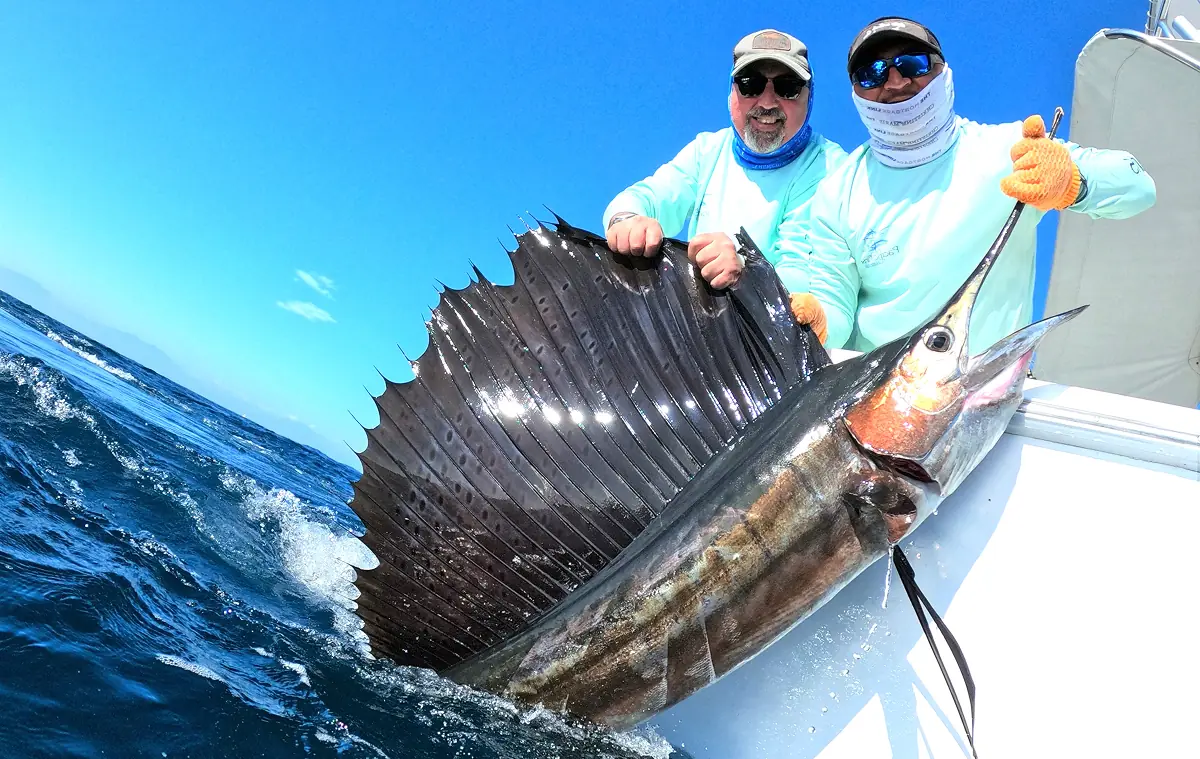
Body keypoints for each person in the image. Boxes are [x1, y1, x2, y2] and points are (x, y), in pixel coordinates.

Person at [792, 16, 1156, 351]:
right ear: (855, 91)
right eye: (872, 74)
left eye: (913, 63)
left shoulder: (1013, 150)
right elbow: (835, 313)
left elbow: (1138, 188)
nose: (896, 82)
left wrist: (1074, 183)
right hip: (879, 399)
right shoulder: (838, 191)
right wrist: (819, 321)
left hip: (984, 394)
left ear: (944, 71)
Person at [603, 29, 846, 291]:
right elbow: (647, 196)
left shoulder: (833, 168)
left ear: (809, 96)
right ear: (732, 93)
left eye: (788, 87)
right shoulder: (707, 150)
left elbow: (809, 280)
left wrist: (747, 273)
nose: (766, 102)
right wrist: (626, 219)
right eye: (750, 84)